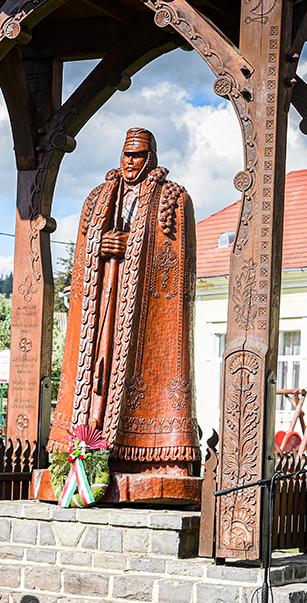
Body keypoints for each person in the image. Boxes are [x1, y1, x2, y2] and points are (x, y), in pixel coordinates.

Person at [48, 127, 200, 475]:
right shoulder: (98, 197)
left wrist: (131, 246)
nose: (131, 162)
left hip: (145, 312)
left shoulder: (172, 198)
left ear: (151, 158)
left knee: (148, 373)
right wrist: (100, 247)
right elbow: (83, 251)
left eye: (139, 155)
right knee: (95, 372)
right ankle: (83, 452)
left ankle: (157, 454)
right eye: (127, 154)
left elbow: (176, 258)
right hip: (103, 305)